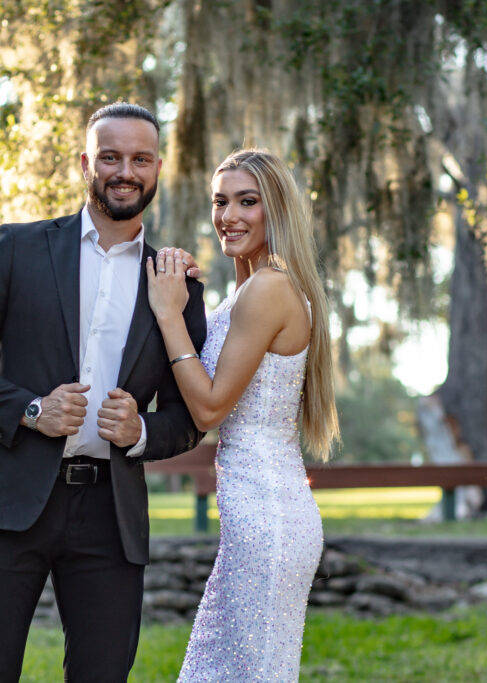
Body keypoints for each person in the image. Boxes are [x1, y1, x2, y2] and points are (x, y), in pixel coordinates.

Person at [0, 102, 207, 683]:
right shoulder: (18, 249)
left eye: (140, 159)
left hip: (111, 515)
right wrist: (31, 409)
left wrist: (143, 431)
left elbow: (192, 413)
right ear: (86, 164)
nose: (124, 171)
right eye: (110, 156)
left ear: (158, 170)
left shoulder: (176, 282)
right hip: (6, 502)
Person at [146, 148, 340, 681]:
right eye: (220, 201)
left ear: (275, 209)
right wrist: (188, 296)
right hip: (254, 514)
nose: (228, 216)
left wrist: (168, 314)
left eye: (246, 202)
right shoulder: (254, 289)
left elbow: (208, 407)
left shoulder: (270, 288)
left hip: (267, 518)